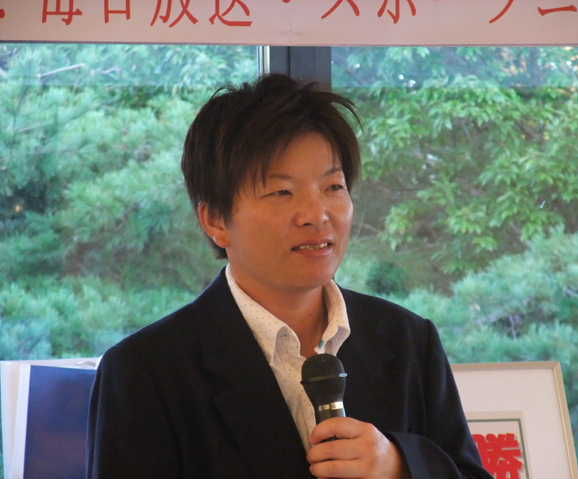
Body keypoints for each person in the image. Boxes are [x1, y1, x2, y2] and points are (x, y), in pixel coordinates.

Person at [86, 73, 490, 478]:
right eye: (282, 192)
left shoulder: (407, 340)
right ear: (215, 220)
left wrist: (400, 466)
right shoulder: (145, 371)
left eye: (333, 186)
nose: (317, 215)